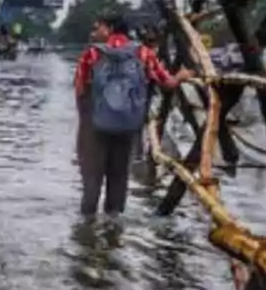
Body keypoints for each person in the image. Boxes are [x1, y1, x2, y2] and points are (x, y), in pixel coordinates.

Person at [76, 13, 185, 214]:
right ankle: (114, 232)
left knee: (92, 184)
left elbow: (80, 90)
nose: (94, 33)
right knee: (119, 179)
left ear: (109, 29)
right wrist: (183, 76)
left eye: (97, 28)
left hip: (95, 126)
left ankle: (86, 231)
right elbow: (167, 83)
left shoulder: (91, 54)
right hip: (128, 126)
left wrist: (85, 125)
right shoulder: (144, 53)